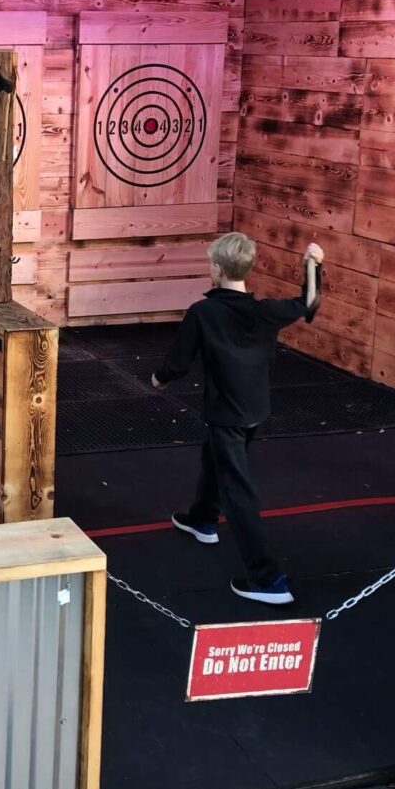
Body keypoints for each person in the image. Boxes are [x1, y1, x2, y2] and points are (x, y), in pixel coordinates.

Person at [151, 232, 323, 605]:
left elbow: (178, 363)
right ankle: (202, 518)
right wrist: (313, 265)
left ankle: (269, 579)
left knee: (238, 491)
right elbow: (309, 303)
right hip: (255, 411)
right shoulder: (266, 312)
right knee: (215, 458)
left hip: (226, 413)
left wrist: (158, 379)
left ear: (216, 268)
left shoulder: (203, 313)